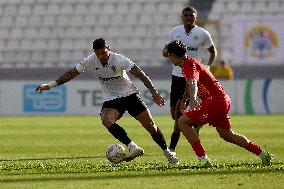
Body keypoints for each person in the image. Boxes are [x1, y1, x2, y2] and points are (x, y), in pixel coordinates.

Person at [35, 38, 179, 164]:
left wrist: (153, 92)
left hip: (130, 95)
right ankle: (133, 147)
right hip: (112, 98)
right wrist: (50, 85)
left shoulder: (119, 59)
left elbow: (140, 74)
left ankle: (167, 153)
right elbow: (70, 73)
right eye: (98, 54)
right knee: (106, 119)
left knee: (151, 126)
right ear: (94, 53)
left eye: (104, 53)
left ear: (108, 49)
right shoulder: (90, 61)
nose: (101, 56)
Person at [166, 40, 273, 167]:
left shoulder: (189, 64)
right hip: (222, 100)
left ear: (173, 55)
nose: (169, 58)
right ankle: (262, 154)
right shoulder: (189, 63)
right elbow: (190, 85)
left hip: (214, 101)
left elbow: (193, 81)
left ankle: (202, 159)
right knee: (227, 135)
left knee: (182, 122)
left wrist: (193, 98)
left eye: (169, 55)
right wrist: (184, 100)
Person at [163, 6, 217, 154]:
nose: (188, 17)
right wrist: (166, 52)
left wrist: (208, 67)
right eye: (185, 15)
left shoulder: (203, 33)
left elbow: (212, 52)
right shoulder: (174, 32)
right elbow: (165, 51)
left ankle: (172, 148)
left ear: (196, 18)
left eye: (191, 15)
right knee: (174, 113)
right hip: (177, 75)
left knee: (179, 114)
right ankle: (196, 123)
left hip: (193, 76)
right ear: (182, 17)